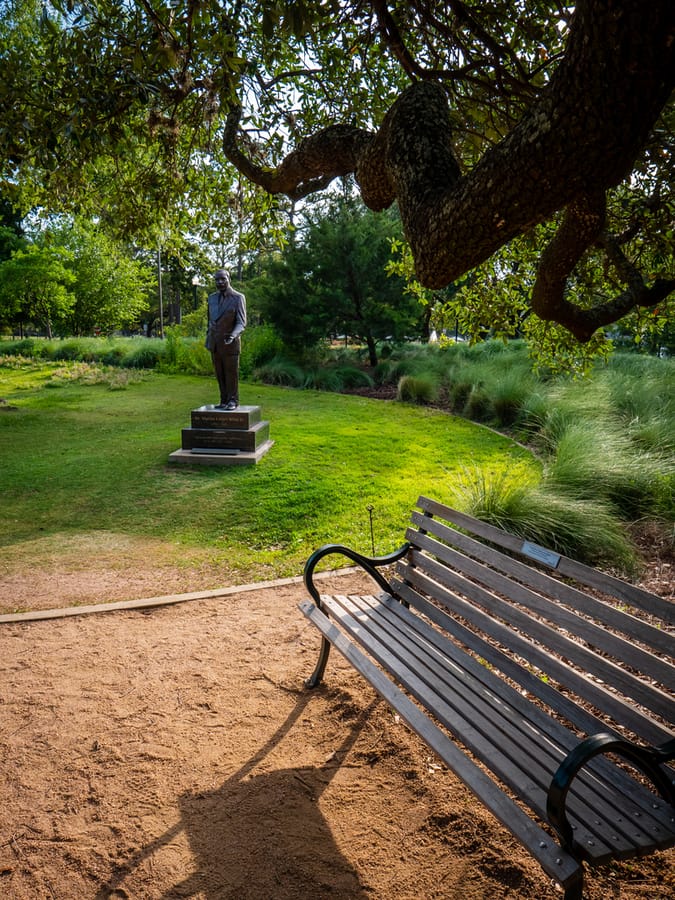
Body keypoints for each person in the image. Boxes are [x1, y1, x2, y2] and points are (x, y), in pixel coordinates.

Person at [205, 269, 247, 410]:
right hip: (215, 343)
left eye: (223, 279)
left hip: (231, 343)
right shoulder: (211, 298)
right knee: (220, 373)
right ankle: (223, 399)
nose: (220, 282)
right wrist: (209, 336)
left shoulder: (238, 298)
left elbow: (241, 322)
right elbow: (210, 319)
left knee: (231, 374)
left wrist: (233, 335)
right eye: (217, 280)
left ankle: (233, 400)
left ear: (229, 279)